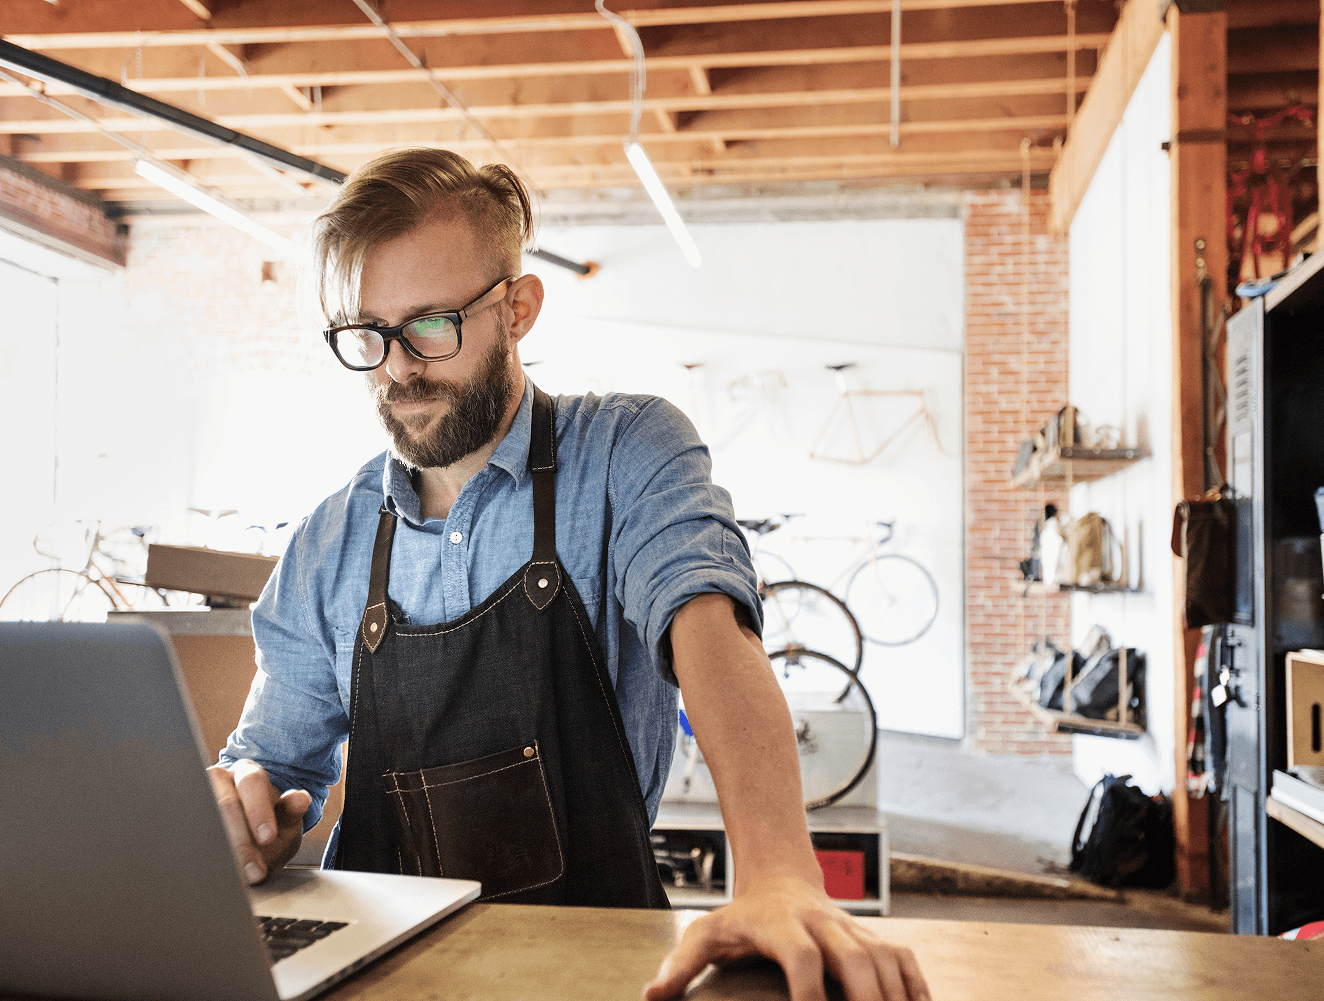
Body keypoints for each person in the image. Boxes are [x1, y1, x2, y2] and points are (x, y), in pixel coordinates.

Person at [206, 148, 929, 1001]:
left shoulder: (627, 452)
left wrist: (779, 873)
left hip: (602, 968)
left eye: (431, 327)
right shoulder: (328, 542)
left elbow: (709, 625)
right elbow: (268, 762)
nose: (399, 367)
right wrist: (241, 814)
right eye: (369, 334)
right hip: (377, 977)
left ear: (518, 309)